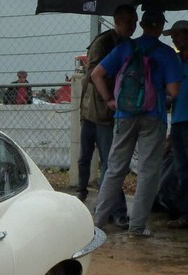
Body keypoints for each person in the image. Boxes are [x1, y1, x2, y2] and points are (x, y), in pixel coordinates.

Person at [91, 9, 180, 237]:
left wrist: (109, 99)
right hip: (154, 117)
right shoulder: (167, 53)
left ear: (141, 24)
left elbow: (96, 74)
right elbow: (174, 91)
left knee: (115, 169)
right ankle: (137, 227)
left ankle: (97, 222)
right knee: (147, 172)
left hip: (124, 115)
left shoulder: (125, 48)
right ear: (161, 26)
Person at [77, 3, 137, 209]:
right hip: (94, 110)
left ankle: (105, 205)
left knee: (108, 161)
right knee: (87, 157)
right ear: (117, 21)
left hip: (108, 112)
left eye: (135, 22)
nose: (133, 26)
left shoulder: (130, 45)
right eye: (129, 22)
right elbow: (93, 74)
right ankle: (83, 192)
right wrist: (112, 86)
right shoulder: (103, 43)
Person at [163, 20, 188, 229]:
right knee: (181, 169)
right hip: (179, 121)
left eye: (177, 35)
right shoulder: (176, 61)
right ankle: (183, 212)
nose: (174, 38)